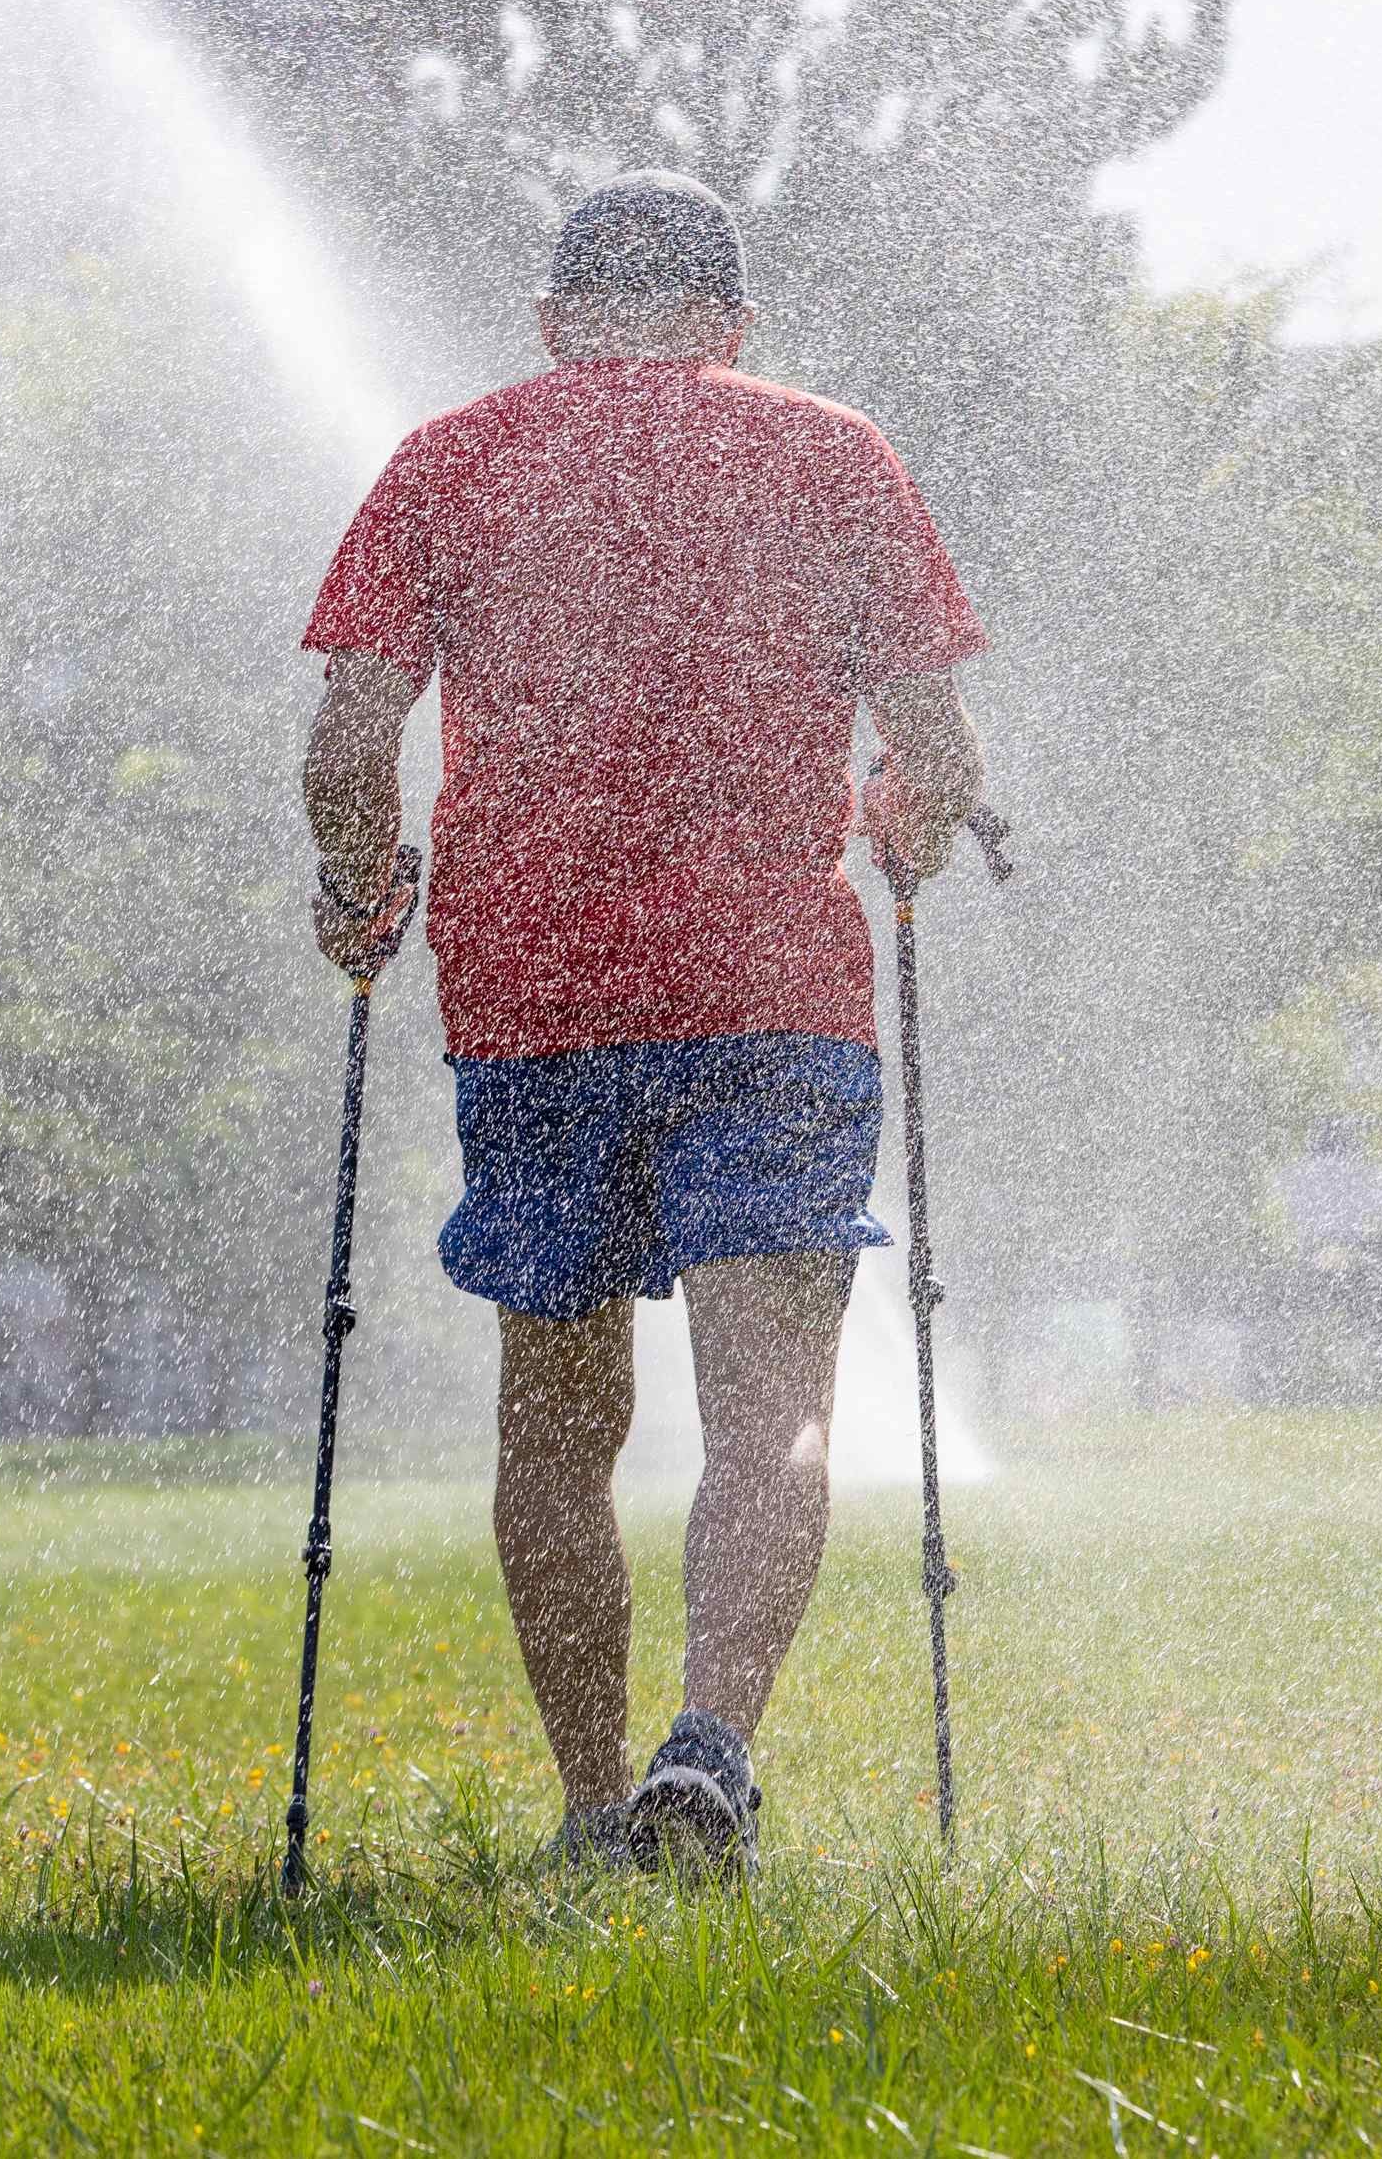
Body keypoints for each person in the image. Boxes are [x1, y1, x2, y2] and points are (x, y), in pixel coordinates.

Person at [296, 169, 990, 1872]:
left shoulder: (451, 459)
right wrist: (907, 819)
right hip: (773, 994)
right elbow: (937, 751)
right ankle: (714, 1746)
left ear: (552, 322)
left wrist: (357, 887)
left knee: (556, 1429)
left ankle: (593, 1805)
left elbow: (345, 745)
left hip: (534, 1003)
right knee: (770, 1411)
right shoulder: (831, 450)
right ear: (731, 324)